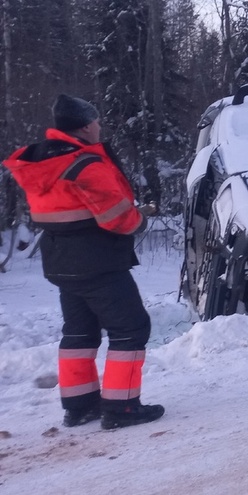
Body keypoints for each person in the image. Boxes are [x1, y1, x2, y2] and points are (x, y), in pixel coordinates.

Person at [2, 94, 165, 429]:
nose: (99, 127)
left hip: (61, 262)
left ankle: (79, 407)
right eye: (97, 122)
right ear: (87, 125)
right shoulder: (85, 164)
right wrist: (140, 220)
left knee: (79, 332)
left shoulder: (42, 164)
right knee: (131, 328)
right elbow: (117, 218)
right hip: (98, 261)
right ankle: (122, 408)